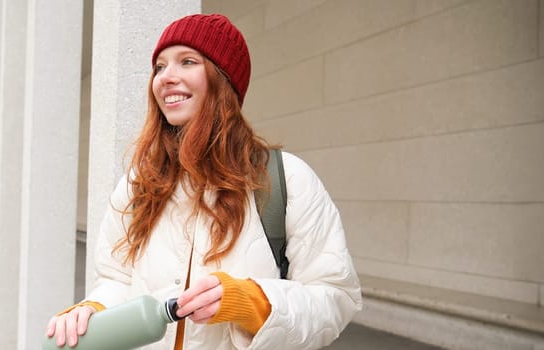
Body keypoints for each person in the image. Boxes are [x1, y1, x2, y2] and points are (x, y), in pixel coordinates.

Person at [46, 13, 362, 350]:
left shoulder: (287, 180)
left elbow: (335, 298)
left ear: (223, 80)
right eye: (160, 67)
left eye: (187, 61)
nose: (166, 77)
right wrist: (93, 311)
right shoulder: (138, 184)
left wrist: (251, 301)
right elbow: (117, 279)